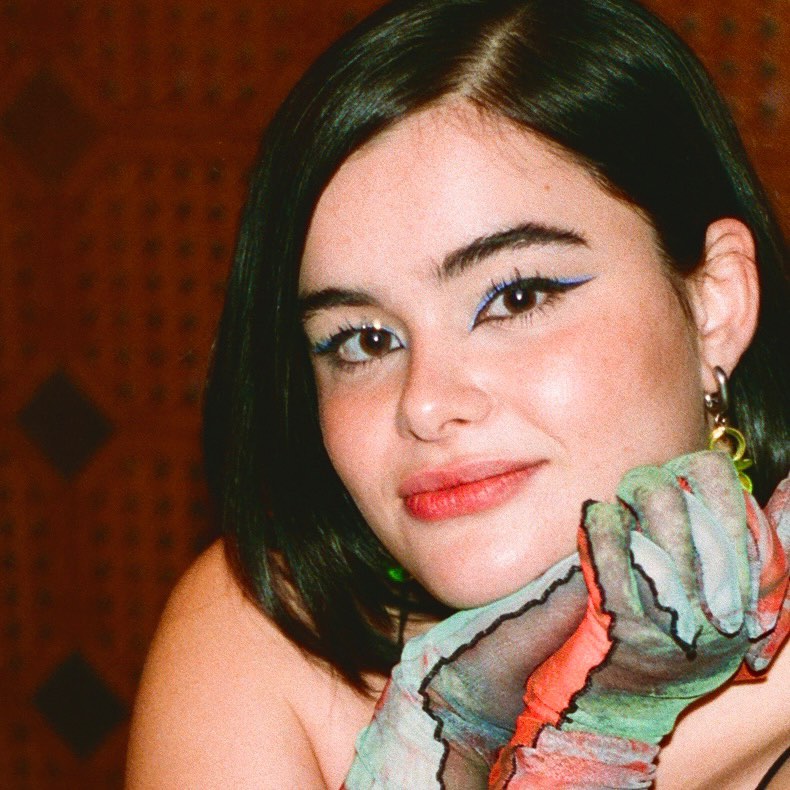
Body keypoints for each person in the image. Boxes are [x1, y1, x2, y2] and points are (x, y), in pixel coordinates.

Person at [126, 0, 789, 787]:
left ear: (715, 302)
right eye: (364, 340)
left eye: (516, 298)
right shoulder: (265, 637)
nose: (425, 403)